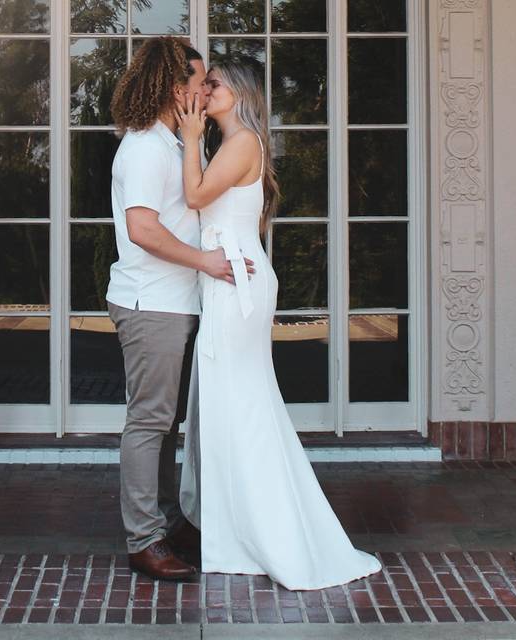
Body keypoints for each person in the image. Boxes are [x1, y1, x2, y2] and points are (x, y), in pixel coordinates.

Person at [175, 62, 383, 590]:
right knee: (234, 403)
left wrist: (190, 137)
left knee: (241, 404)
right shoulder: (233, 143)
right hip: (228, 277)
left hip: (235, 284)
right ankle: (236, 530)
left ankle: (264, 533)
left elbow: (196, 198)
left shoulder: (241, 141)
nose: (204, 91)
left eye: (213, 84)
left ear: (239, 94)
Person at [106, 38, 253, 581]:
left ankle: (165, 524)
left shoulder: (169, 142)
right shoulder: (145, 146)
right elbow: (143, 229)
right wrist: (207, 262)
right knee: (149, 422)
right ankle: (143, 540)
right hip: (151, 304)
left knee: (165, 424)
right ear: (175, 88)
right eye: (198, 82)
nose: (204, 90)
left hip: (174, 303)